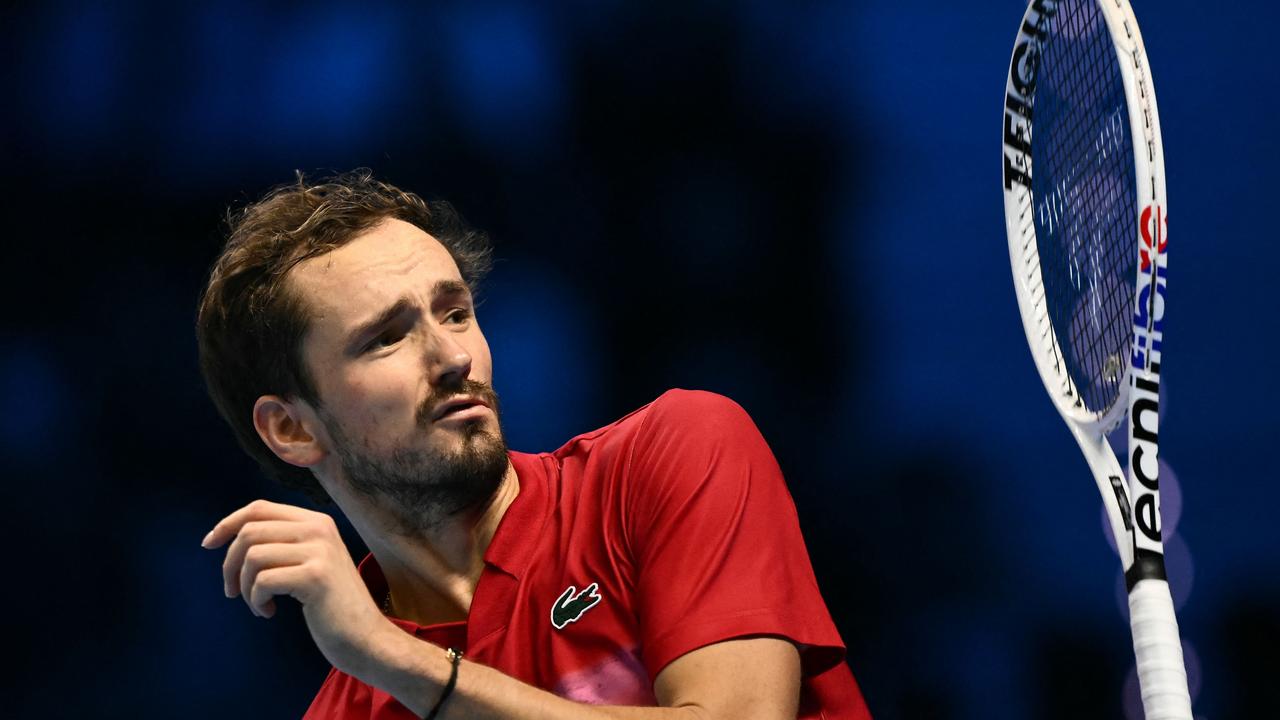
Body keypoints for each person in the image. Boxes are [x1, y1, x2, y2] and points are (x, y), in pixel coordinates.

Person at [196, 170, 872, 719]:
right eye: (387, 338)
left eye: (456, 312)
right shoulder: (354, 704)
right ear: (292, 428)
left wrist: (399, 660)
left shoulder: (674, 451)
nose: (453, 355)